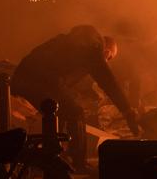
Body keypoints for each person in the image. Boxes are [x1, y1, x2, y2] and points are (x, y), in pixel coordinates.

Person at [11, 25, 139, 171]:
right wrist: (128, 111)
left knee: (59, 112)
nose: (106, 63)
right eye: (108, 59)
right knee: (76, 112)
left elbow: (63, 78)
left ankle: (53, 158)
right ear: (106, 52)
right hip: (37, 81)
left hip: (24, 78)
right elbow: (109, 82)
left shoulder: (75, 44)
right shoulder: (93, 51)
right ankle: (78, 162)